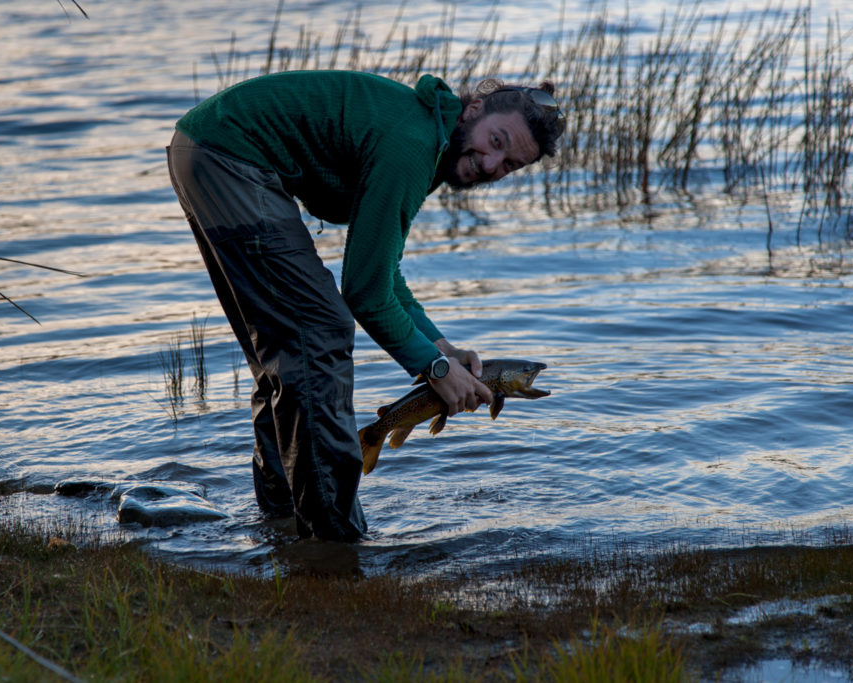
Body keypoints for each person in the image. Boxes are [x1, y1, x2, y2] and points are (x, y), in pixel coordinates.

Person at [166, 70, 565, 541]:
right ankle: (334, 540)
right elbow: (364, 292)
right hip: (230, 156)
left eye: (509, 164)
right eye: (496, 141)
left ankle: (279, 523)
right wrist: (435, 371)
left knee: (288, 352)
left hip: (205, 148)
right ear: (474, 110)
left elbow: (384, 273)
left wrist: (443, 349)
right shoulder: (413, 143)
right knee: (320, 332)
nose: (491, 163)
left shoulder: (432, 141)